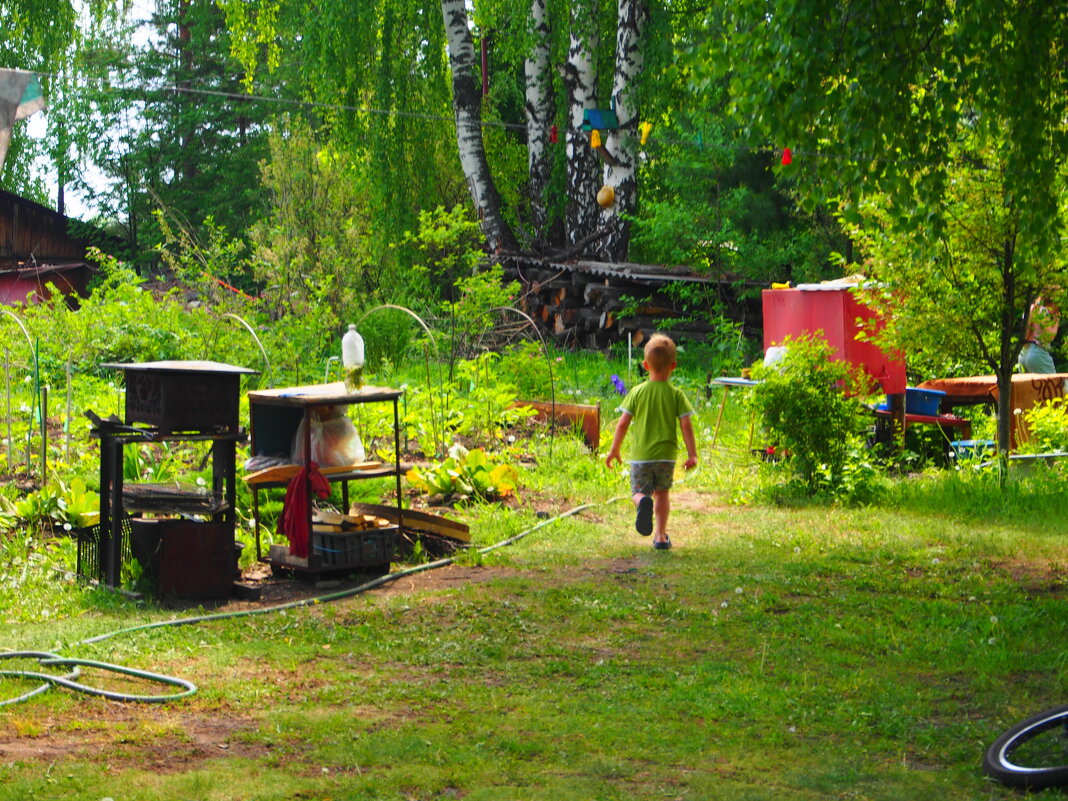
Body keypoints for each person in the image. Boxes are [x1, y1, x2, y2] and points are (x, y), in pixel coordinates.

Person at [605, 334, 698, 550]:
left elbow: (622, 424)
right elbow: (686, 426)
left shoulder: (637, 392)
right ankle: (660, 536)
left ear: (645, 365)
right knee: (662, 494)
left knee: (638, 492)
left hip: (641, 456)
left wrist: (614, 450)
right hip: (666, 455)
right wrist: (692, 454)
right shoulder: (676, 394)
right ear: (673, 366)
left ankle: (641, 503)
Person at [1018, 294, 1060, 374]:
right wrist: (1056, 320)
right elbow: (1049, 336)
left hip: (1023, 353)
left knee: (1026, 386)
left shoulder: (1030, 309)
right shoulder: (1042, 311)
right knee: (1054, 385)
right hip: (1037, 354)